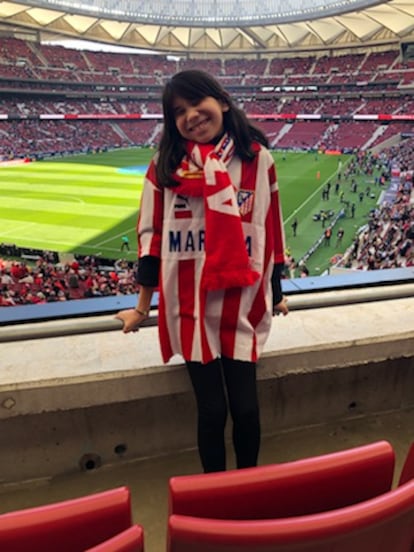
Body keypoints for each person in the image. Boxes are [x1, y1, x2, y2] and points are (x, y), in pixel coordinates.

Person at [115, 69, 288, 473]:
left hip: (241, 306)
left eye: (197, 103)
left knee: (245, 410)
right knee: (211, 411)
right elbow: (150, 239)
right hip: (189, 310)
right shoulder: (164, 167)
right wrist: (141, 308)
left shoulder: (258, 160)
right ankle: (216, 492)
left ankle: (246, 486)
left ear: (222, 102)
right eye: (179, 111)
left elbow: (272, 230)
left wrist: (276, 294)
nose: (191, 115)